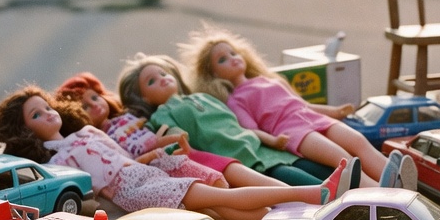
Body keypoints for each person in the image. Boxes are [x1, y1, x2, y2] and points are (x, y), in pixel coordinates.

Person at [0, 86, 355, 220]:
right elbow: (93, 190)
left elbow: (124, 157)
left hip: (144, 173)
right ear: (25, 131)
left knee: (219, 207)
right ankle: (308, 195)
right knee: (219, 199)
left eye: (46, 107)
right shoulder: (54, 161)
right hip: (132, 191)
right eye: (36, 116)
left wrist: (157, 157)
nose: (48, 115)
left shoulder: (85, 131)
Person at [182, 27, 391, 185]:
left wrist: (335, 112)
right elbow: (250, 129)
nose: (232, 59)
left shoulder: (271, 80)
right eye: (222, 60)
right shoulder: (236, 100)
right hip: (292, 130)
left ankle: (391, 174)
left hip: (309, 116)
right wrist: (274, 140)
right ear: (213, 74)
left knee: (358, 140)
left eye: (233, 53)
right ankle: (379, 191)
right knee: (341, 157)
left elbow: (303, 104)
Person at [117, 53, 331, 187]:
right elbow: (172, 137)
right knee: (293, 177)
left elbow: (237, 122)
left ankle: (345, 183)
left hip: (260, 145)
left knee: (308, 164)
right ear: (143, 96)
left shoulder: (201, 96)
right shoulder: (162, 114)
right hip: (238, 155)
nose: (163, 79)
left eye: (164, 74)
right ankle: (330, 194)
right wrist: (176, 137)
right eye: (152, 81)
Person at [54, 72, 288, 189]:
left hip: (178, 152)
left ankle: (290, 193)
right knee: (224, 181)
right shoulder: (102, 136)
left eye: (95, 97)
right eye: (85, 106)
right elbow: (137, 148)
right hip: (160, 164)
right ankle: (290, 195)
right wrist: (166, 140)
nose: (95, 104)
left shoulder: (128, 116)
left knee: (229, 168)